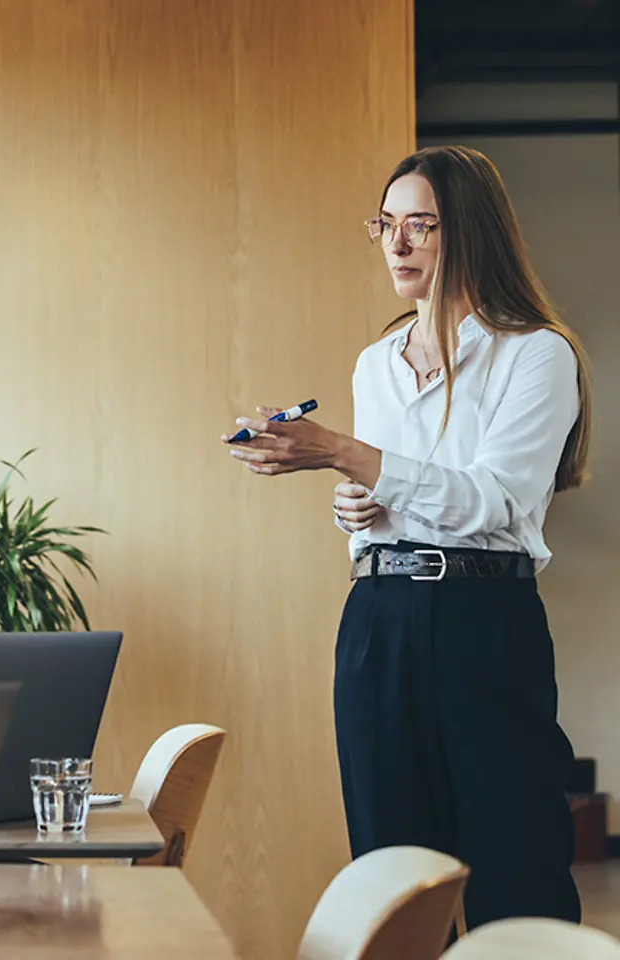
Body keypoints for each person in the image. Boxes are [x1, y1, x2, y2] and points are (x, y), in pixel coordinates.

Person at [224, 145, 592, 927]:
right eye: (385, 225)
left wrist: (343, 454)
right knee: (390, 879)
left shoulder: (536, 354)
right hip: (378, 623)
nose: (397, 245)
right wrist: (353, 509)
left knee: (515, 869)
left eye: (419, 226)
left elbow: (493, 502)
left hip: (485, 627)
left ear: (470, 232)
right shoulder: (375, 365)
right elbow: (392, 496)